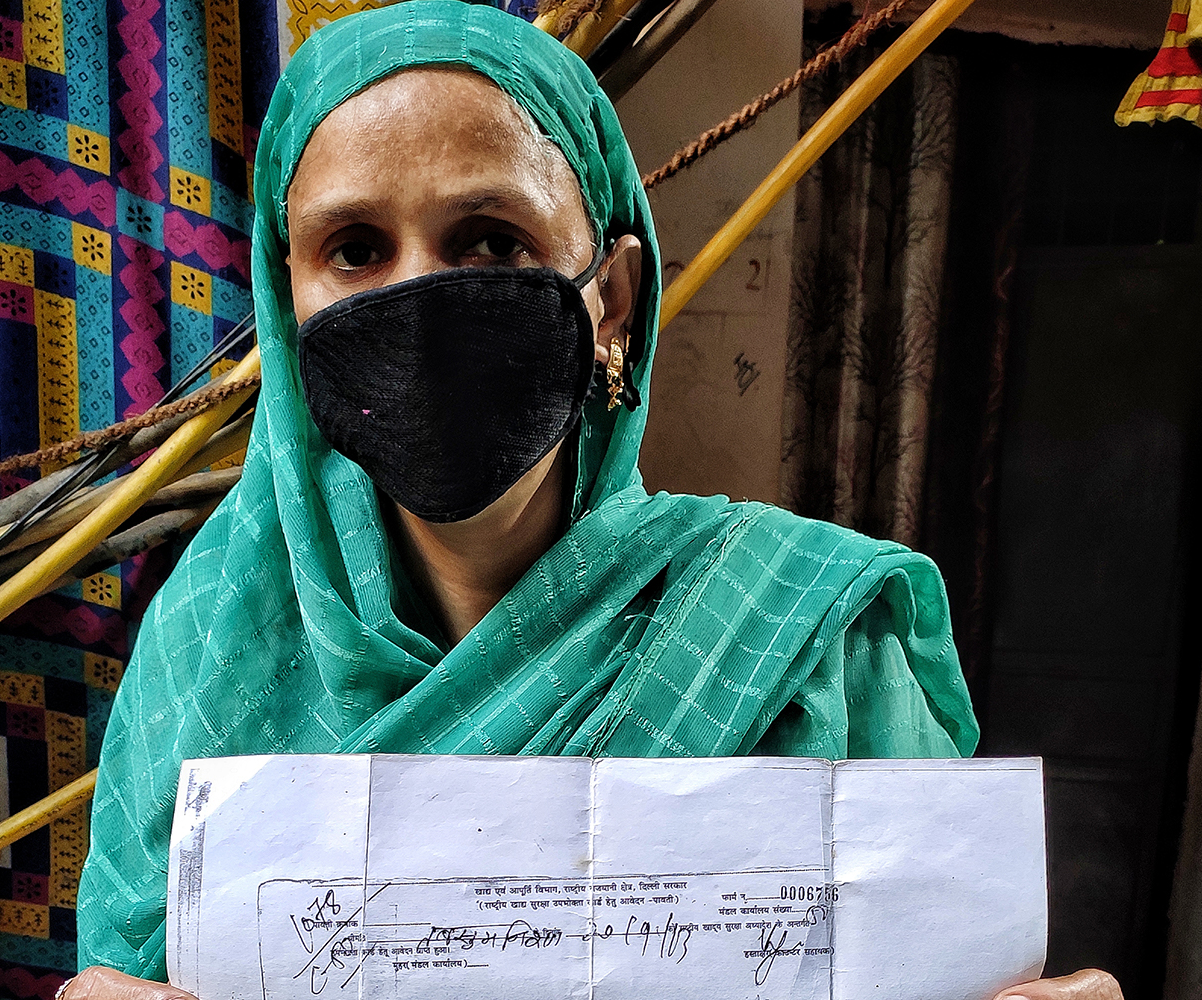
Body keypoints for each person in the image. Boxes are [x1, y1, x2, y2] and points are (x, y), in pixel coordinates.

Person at [70, 4, 1121, 998]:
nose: (420, 300)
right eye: (354, 250)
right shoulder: (210, 648)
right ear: (283, 295)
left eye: (491, 239)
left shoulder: (804, 639)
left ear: (610, 300)